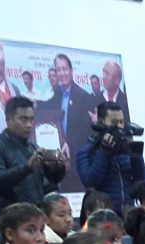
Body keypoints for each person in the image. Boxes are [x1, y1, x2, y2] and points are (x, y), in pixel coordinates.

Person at [0, 96, 66, 212]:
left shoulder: (33, 147)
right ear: (8, 119)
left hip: (38, 213)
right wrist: (27, 167)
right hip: (12, 216)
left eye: (31, 119)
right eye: (23, 119)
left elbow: (50, 183)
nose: (29, 125)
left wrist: (58, 168)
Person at [76, 101, 145, 211]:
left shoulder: (126, 150)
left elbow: (142, 181)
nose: (119, 126)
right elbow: (89, 181)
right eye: (114, 122)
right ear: (101, 122)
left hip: (128, 212)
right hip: (103, 212)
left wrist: (135, 154)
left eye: (121, 122)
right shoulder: (86, 151)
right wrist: (104, 152)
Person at [46, 53, 98, 191]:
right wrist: (34, 104)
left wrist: (68, 143)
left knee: (76, 191)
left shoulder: (83, 96)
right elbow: (49, 105)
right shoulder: (58, 93)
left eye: (64, 69)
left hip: (78, 156)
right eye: (58, 70)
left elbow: (85, 129)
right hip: (59, 157)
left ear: (71, 70)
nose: (62, 73)